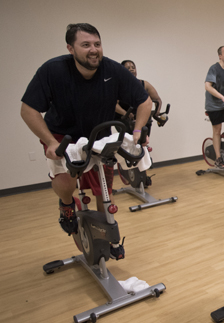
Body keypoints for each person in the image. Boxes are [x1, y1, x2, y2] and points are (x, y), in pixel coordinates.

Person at [21, 23, 151, 258]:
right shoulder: (53, 71)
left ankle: (107, 236)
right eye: (86, 45)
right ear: (71, 48)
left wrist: (138, 131)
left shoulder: (112, 70)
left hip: (98, 135)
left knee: (105, 190)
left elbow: (144, 101)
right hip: (62, 136)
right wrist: (50, 141)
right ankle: (67, 204)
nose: (93, 50)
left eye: (97, 44)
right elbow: (28, 109)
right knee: (67, 182)